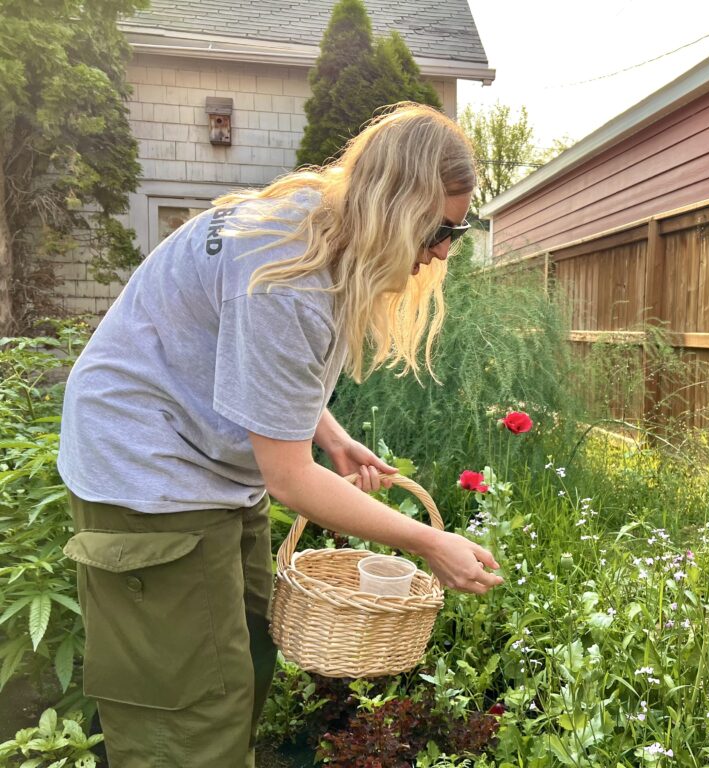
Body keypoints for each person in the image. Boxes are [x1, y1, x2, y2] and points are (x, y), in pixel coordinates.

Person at [56, 102, 503, 767]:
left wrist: (327, 432)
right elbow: (289, 480)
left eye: (456, 232)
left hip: (199, 463)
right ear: (391, 206)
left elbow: (242, 359)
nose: (442, 250)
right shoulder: (287, 277)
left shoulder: (310, 224)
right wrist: (428, 540)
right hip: (146, 469)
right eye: (438, 229)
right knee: (189, 711)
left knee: (244, 655)